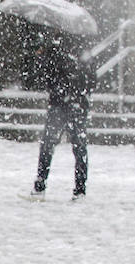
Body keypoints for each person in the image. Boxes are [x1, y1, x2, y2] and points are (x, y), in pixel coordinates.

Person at [29, 36, 95, 201]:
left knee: (49, 146)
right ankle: (79, 190)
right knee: (78, 148)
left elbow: (45, 78)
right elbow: (92, 80)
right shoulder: (82, 51)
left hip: (61, 105)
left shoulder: (54, 50)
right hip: (74, 105)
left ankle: (40, 186)